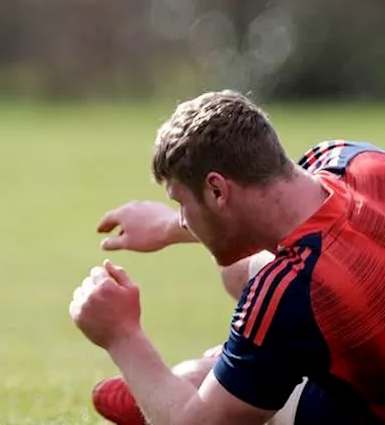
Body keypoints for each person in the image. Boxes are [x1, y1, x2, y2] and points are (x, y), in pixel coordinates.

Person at [70, 90, 385, 425]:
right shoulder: (350, 159)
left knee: (212, 389)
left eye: (182, 204)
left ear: (217, 190)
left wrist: (122, 335)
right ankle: (238, 371)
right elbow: (273, 205)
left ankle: (213, 382)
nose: (183, 217)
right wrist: (168, 226)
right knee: (237, 272)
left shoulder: (291, 289)